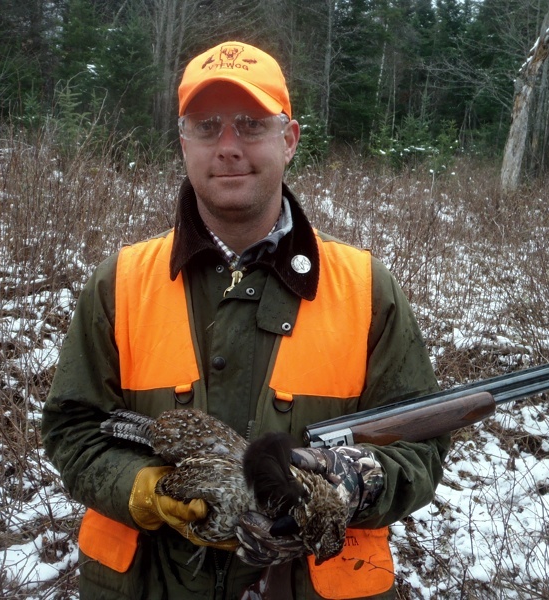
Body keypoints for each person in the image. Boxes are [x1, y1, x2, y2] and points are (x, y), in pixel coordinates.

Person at [42, 40, 450, 600]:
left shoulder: (366, 288)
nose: (228, 147)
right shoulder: (120, 283)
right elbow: (73, 430)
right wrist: (143, 490)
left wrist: (347, 485)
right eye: (207, 126)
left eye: (252, 125)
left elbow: (420, 447)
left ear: (290, 139)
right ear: (182, 142)